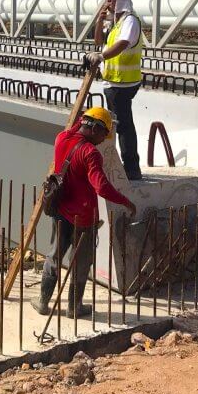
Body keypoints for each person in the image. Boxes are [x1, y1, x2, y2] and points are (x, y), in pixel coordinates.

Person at [31, 107, 137, 318]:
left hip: (61, 212)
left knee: (54, 255)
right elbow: (101, 187)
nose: (102, 140)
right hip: (84, 218)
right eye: (102, 134)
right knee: (81, 262)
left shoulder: (61, 139)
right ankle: (74, 307)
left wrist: (83, 118)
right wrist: (125, 201)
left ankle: (43, 302)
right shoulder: (90, 153)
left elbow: (75, 127)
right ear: (95, 128)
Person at [85, 0, 143, 180]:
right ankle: (124, 166)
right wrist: (100, 21)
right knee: (119, 124)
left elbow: (123, 44)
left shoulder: (130, 22)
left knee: (124, 126)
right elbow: (99, 41)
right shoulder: (116, 23)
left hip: (124, 83)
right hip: (114, 82)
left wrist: (101, 56)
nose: (107, 1)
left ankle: (131, 170)